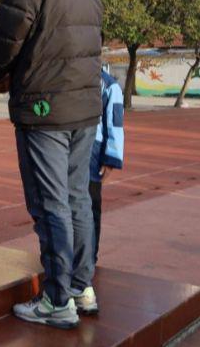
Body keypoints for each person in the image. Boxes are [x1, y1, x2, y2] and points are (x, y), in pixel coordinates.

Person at [0, 0, 103, 330]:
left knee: (50, 205)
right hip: (83, 110)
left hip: (44, 113)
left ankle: (56, 298)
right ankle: (81, 286)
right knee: (77, 197)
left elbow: (6, 45)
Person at [90, 70, 124, 270]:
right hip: (72, 147)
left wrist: (111, 157)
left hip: (94, 150)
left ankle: (90, 256)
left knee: (90, 204)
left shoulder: (109, 85)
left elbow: (115, 123)